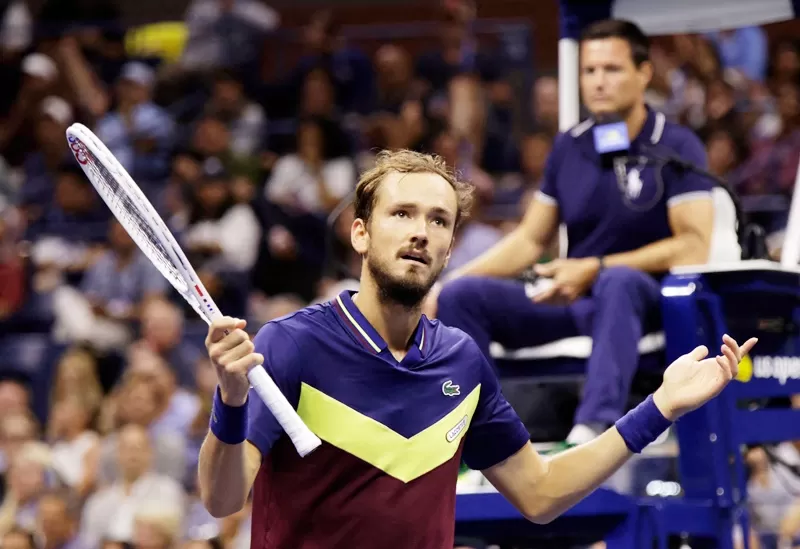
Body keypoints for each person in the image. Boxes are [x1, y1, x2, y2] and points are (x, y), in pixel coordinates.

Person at [196, 149, 756, 548]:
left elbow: (540, 494)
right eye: (403, 214)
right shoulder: (291, 345)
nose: (421, 231)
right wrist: (231, 400)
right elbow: (222, 499)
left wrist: (659, 407)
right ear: (361, 234)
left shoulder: (461, 361)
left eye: (439, 220)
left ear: (448, 249)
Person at [427, 19, 722, 446]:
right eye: (589, 71)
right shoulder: (569, 146)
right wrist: (454, 278)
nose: (598, 82)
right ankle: (481, 439)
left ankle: (590, 432)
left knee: (617, 282)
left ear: (643, 73)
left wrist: (595, 267)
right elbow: (530, 240)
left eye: (612, 69)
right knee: (462, 297)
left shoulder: (677, 145)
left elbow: (694, 245)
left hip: (643, 303)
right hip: (574, 299)